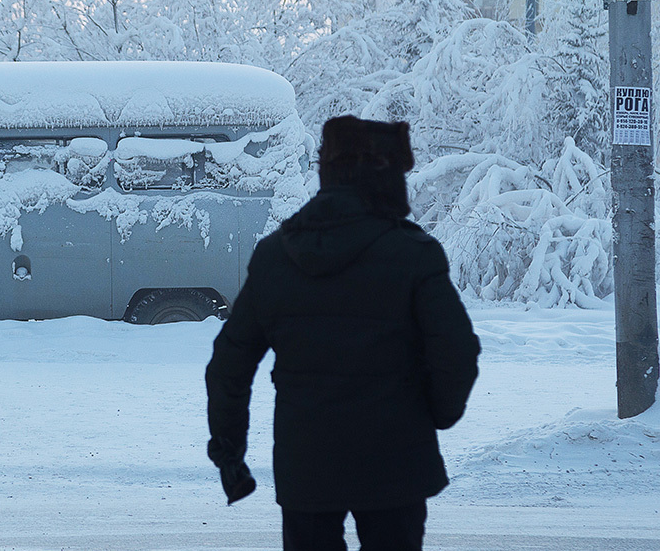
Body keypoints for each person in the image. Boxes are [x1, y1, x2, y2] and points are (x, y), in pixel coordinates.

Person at [205, 115, 481, 551]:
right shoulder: (414, 253)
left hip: (307, 463)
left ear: (326, 172)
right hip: (397, 463)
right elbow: (458, 352)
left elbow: (229, 365)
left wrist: (229, 452)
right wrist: (437, 414)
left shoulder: (276, 256)